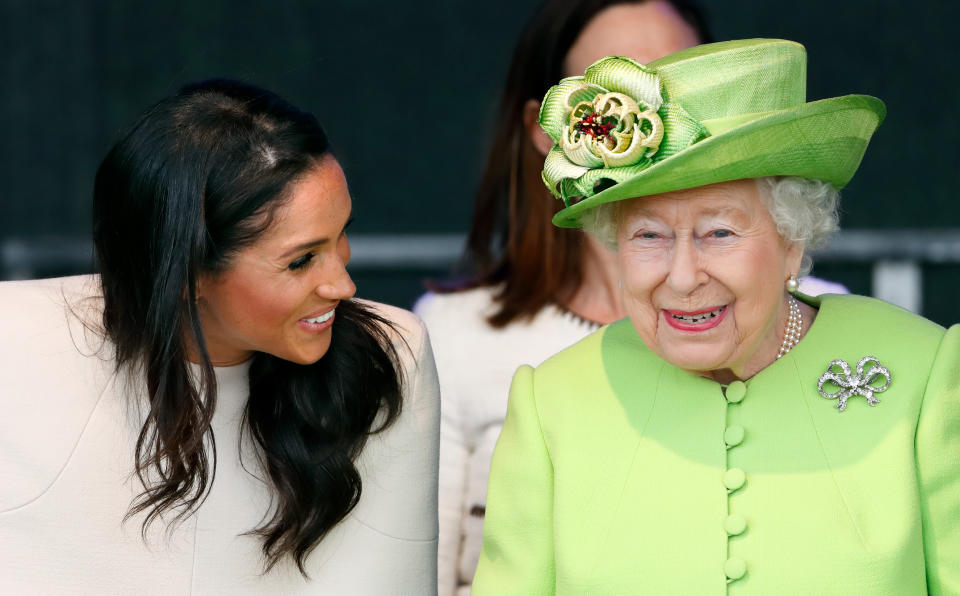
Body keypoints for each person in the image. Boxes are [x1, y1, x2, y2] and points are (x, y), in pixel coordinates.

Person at [470, 39, 960, 594]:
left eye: (719, 232)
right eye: (649, 235)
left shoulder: (925, 374)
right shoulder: (552, 402)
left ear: (792, 241)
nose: (682, 277)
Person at [0, 80, 440, 594]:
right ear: (188, 275)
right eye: (300, 260)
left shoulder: (385, 358)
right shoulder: (18, 341)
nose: (343, 284)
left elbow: (392, 577)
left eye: (341, 233)